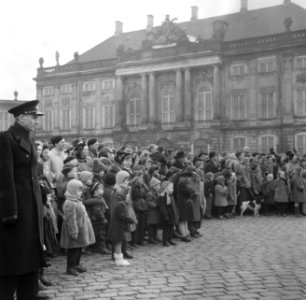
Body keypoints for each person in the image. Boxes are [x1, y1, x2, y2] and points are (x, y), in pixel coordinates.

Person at [0, 100, 50, 299]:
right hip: (16, 209)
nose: (36, 121)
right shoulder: (6, 138)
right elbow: (5, 177)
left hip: (31, 206)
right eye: (33, 117)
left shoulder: (27, 139)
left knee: (30, 255)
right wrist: (10, 212)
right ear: (20, 117)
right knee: (13, 259)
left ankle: (29, 292)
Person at [60, 179, 95, 276]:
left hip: (81, 228)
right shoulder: (69, 203)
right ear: (72, 190)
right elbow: (71, 219)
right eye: (79, 191)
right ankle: (70, 267)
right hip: (74, 229)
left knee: (79, 247)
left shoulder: (77, 200)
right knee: (73, 249)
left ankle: (76, 264)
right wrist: (73, 231)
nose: (80, 193)